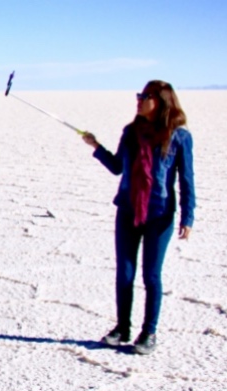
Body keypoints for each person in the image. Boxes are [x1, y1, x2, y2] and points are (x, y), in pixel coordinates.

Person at [81, 80, 195, 355]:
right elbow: (118, 167)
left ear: (161, 101)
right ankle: (122, 328)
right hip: (128, 210)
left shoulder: (178, 136)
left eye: (145, 96)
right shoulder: (131, 132)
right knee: (125, 273)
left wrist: (188, 217)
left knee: (151, 275)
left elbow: (186, 179)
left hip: (160, 215)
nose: (139, 100)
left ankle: (148, 332)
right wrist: (95, 146)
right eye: (138, 95)